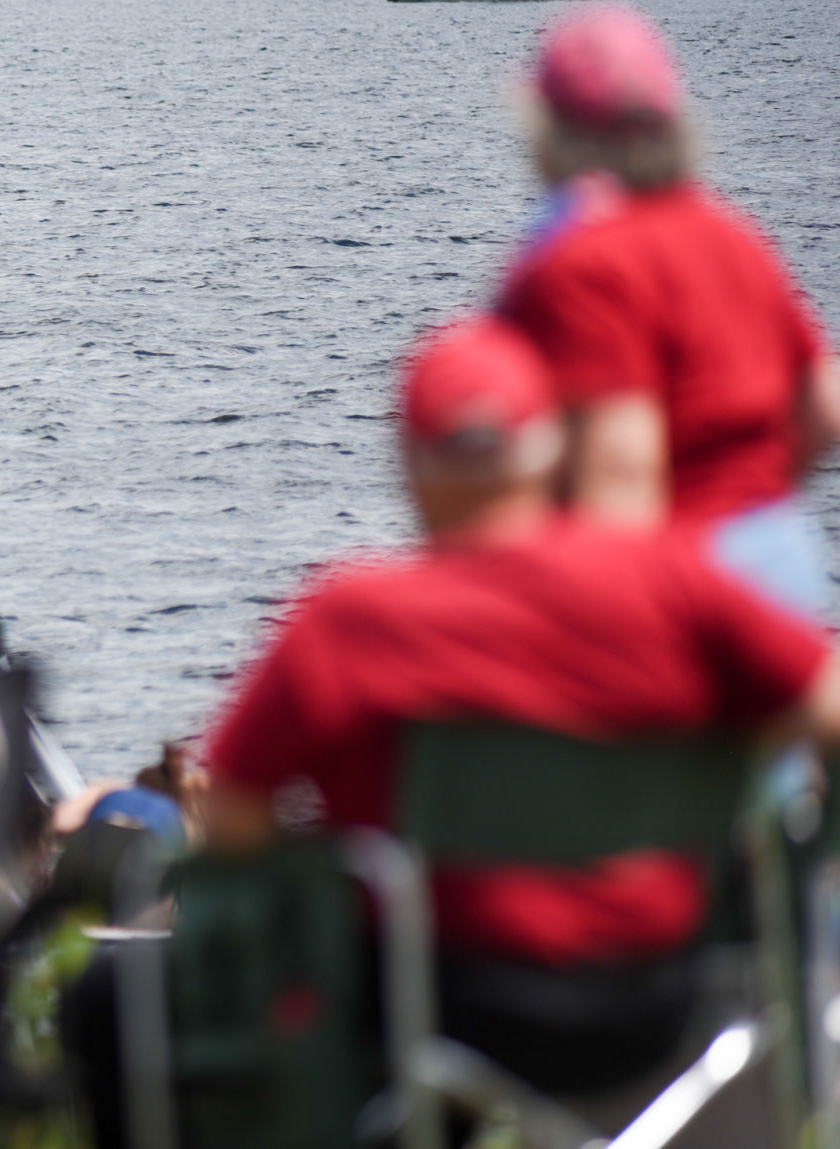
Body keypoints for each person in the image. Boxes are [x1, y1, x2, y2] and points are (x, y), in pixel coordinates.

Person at [197, 316, 840, 1109]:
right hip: (660, 1003)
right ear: (552, 453)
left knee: (113, 1006)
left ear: (412, 467)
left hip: (440, 1009)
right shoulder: (676, 583)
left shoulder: (349, 620)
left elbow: (229, 819)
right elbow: (828, 708)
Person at [495, 5, 839, 616]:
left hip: (672, 588)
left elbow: (620, 473)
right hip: (779, 563)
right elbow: (823, 399)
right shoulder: (731, 234)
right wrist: (743, 486)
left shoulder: (581, 264)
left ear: (549, 128)